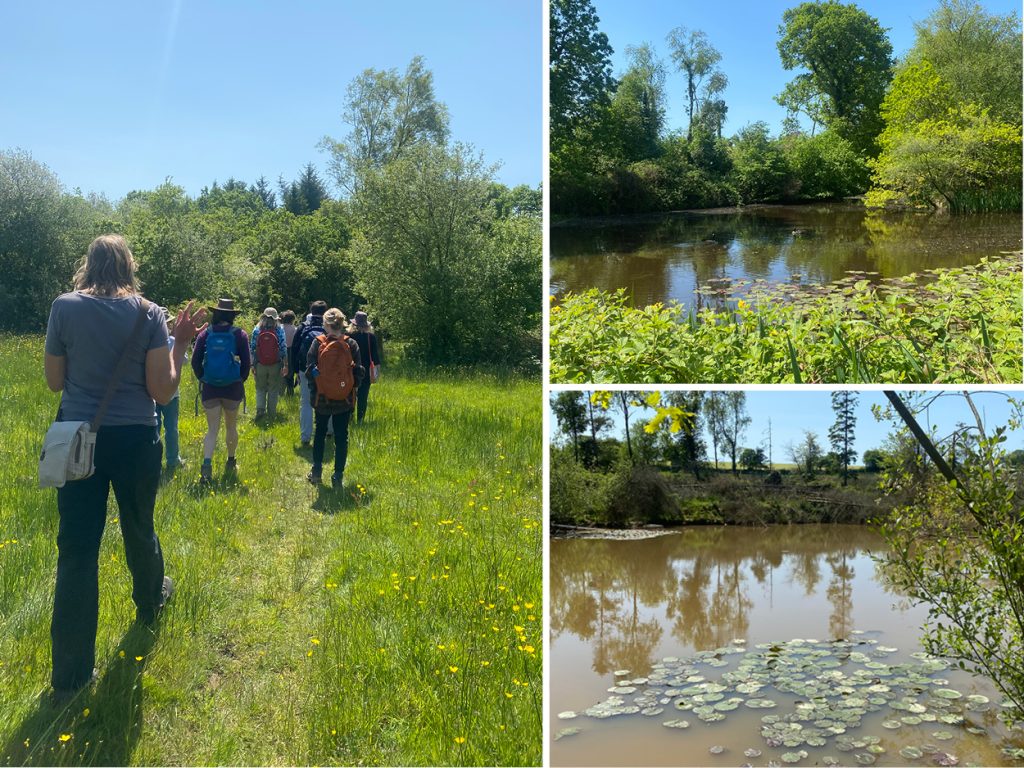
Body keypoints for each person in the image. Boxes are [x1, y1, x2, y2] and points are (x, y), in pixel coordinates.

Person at [43, 234, 206, 700]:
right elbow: (164, 393)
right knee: (139, 526)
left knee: (76, 550)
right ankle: (151, 601)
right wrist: (179, 344)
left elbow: (55, 382)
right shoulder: (149, 313)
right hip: (135, 438)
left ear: (87, 265)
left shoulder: (63, 307)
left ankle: (71, 676)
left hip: (78, 438)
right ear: (128, 266)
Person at [191, 298, 249, 483]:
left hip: (210, 387)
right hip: (232, 387)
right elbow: (247, 363)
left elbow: (195, 361)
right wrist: (239, 379)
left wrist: (203, 378)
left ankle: (206, 467)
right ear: (232, 316)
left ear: (215, 313)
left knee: (212, 430)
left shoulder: (205, 334)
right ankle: (231, 461)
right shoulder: (240, 335)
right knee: (231, 426)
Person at [305, 308, 363, 488]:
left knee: (320, 433)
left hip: (322, 398)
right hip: (344, 399)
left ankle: (316, 472)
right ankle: (338, 477)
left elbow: (309, 371)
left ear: (326, 324)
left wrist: (317, 387)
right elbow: (358, 375)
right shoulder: (351, 344)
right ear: (342, 323)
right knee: (341, 437)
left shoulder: (317, 343)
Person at [291, 300, 327, 447]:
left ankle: (305, 437)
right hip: (326, 371)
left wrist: (295, 371)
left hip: (305, 369)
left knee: (306, 403)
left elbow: (295, 349)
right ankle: (329, 432)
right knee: (327, 400)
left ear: (311, 311)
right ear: (325, 311)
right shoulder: (330, 327)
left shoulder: (303, 327)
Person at [154, 307, 185, 472]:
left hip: (154, 391)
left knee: (156, 428)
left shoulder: (150, 341)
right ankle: (173, 460)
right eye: (170, 323)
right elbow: (185, 360)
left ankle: (156, 462)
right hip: (172, 393)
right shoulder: (173, 341)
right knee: (171, 428)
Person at [250, 307, 287, 419]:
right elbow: (283, 348)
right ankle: (271, 413)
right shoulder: (279, 330)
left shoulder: (257, 329)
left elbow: (252, 348)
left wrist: (252, 364)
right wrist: (285, 364)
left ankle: (260, 411)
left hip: (260, 363)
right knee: (273, 389)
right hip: (275, 363)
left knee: (260, 388)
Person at [347, 310, 381, 424]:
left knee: (350, 394)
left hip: (350, 369)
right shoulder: (370, 337)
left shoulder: (349, 336)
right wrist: (378, 371)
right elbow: (375, 357)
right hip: (365, 370)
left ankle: (350, 417)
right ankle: (360, 420)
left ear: (353, 323)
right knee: (363, 396)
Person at [280, 310, 298, 396]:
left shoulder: (279, 328)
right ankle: (290, 393)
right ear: (292, 319)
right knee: (290, 373)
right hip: (291, 351)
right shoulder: (294, 329)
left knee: (280, 372)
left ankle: (280, 393)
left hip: (280, 351)